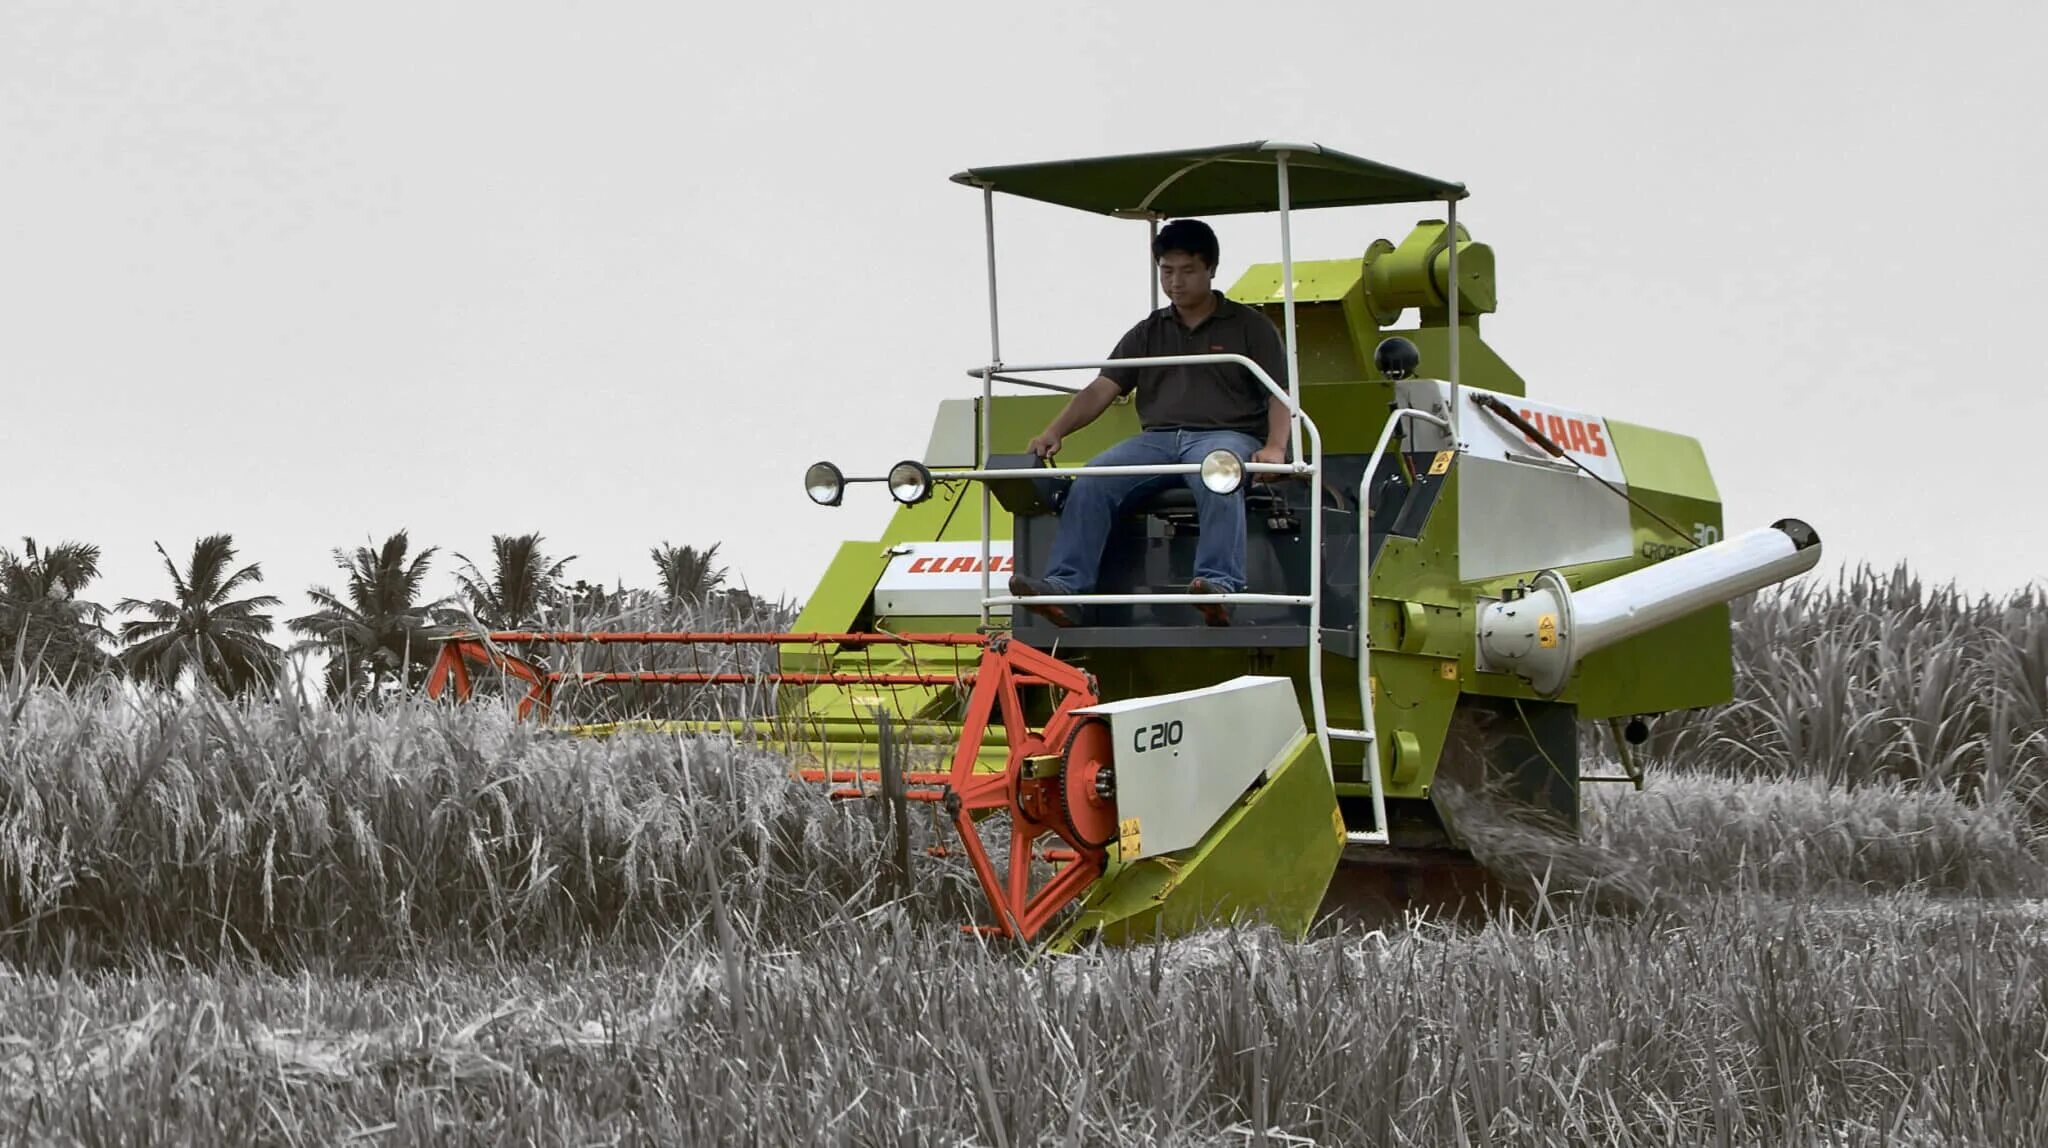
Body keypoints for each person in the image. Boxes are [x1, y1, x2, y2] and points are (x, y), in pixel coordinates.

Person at [1009, 218, 1290, 628]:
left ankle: (1219, 586)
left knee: (1220, 472)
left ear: (1211, 269)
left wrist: (1276, 448)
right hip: (1157, 441)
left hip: (1226, 437)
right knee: (1092, 480)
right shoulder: (1147, 332)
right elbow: (1102, 389)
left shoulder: (1250, 328)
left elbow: (1277, 395)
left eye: (1187, 270)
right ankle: (1066, 590)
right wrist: (1054, 431)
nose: (1175, 282)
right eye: (1166, 270)